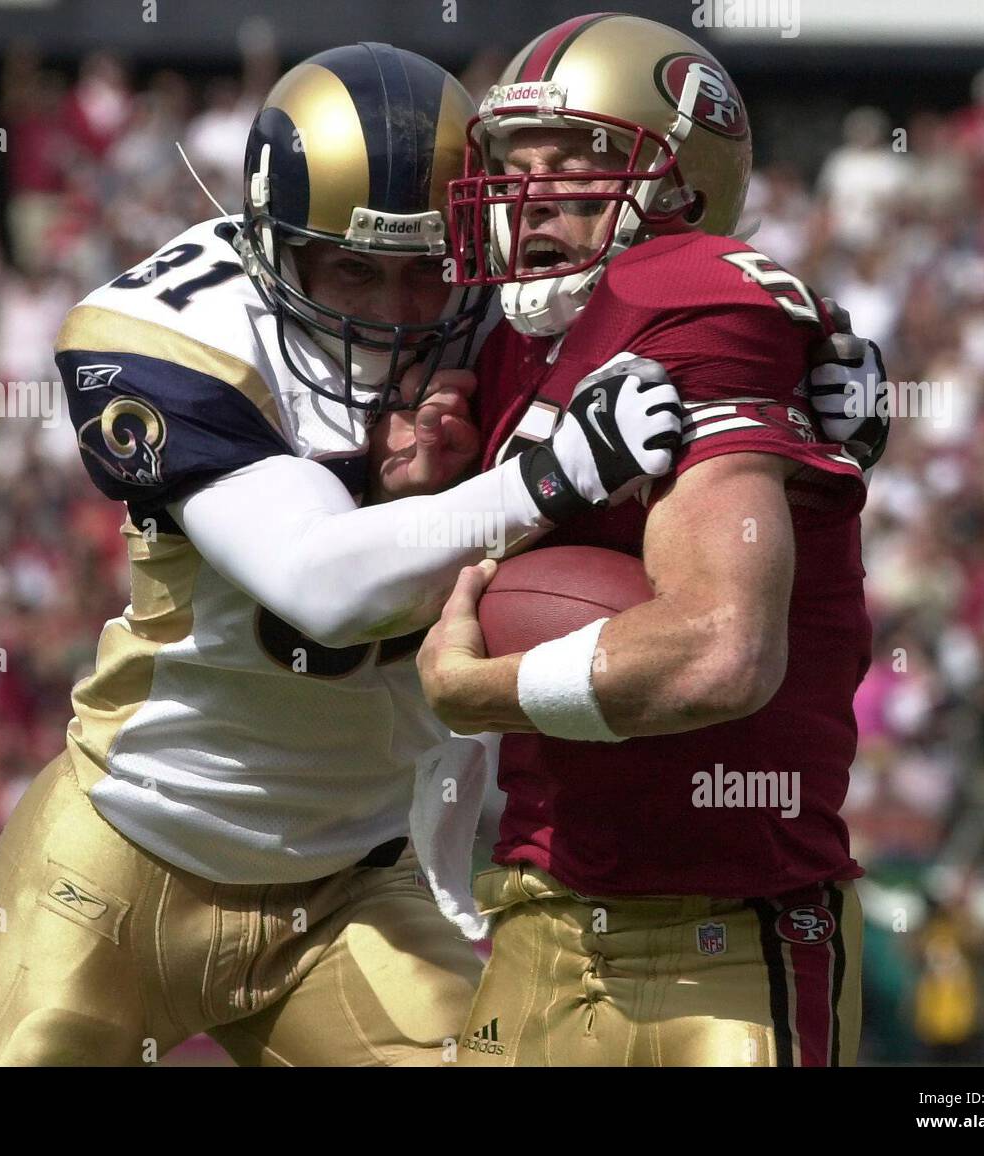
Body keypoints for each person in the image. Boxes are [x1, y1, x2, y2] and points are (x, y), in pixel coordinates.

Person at [0, 43, 684, 1067]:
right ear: (275, 251)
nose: (399, 313)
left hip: (354, 886)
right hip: (126, 849)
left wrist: (803, 378)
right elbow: (319, 583)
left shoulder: (506, 307)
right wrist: (538, 481)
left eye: (427, 271)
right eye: (356, 270)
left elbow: (684, 295)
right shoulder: (169, 332)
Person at [418, 13, 888, 1066]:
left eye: (578, 162)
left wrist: (475, 690)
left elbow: (722, 652)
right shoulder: (508, 342)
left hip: (724, 927)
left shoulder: (690, 289)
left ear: (676, 185)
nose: (529, 193)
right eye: (511, 163)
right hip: (537, 909)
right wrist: (430, 479)